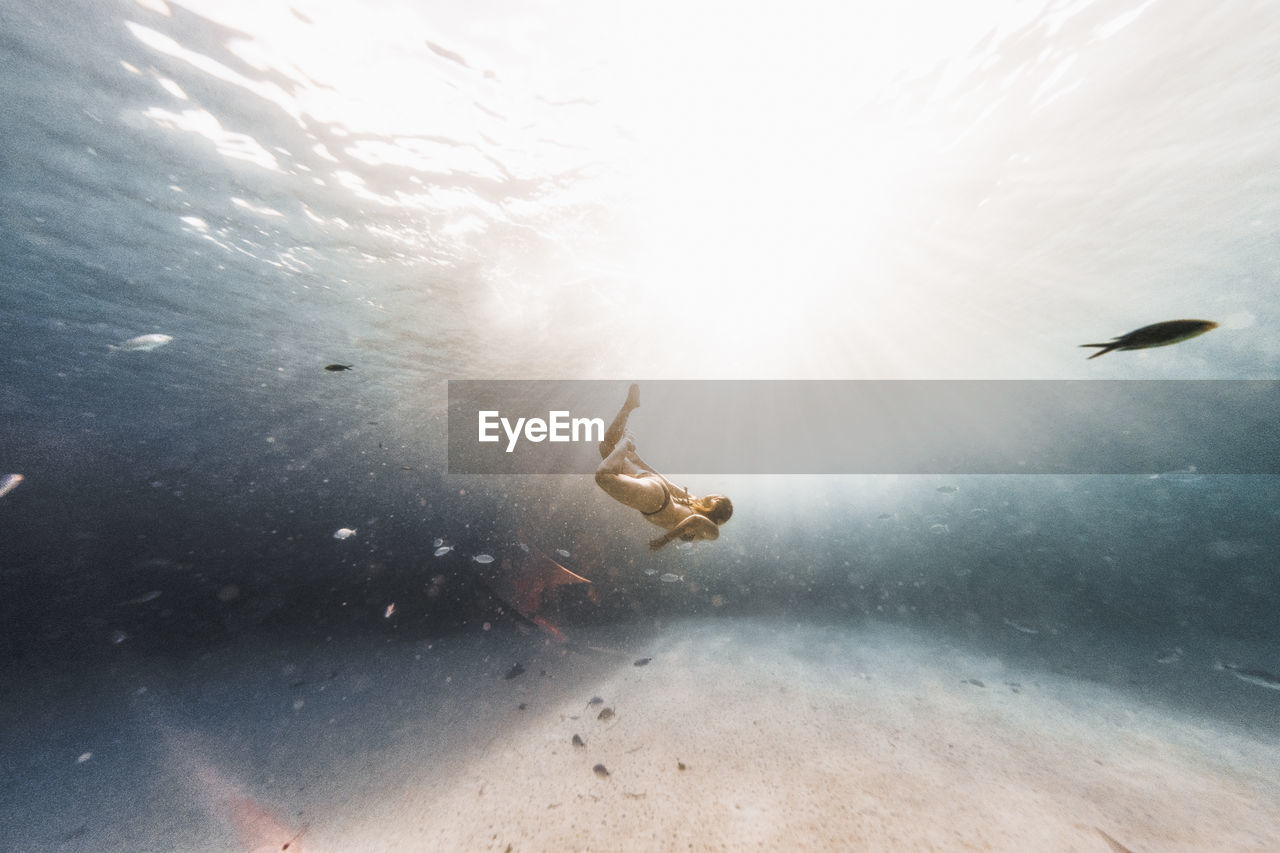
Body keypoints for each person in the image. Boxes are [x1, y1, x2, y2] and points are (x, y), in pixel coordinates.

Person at [594, 384, 733, 550]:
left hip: (654, 490)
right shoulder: (712, 531)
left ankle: (629, 407)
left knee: (606, 448)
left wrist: (638, 462)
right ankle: (628, 441)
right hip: (656, 501)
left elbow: (668, 485)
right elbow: (694, 519)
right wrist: (665, 539)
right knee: (604, 477)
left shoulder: (693, 504)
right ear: (721, 517)